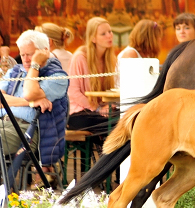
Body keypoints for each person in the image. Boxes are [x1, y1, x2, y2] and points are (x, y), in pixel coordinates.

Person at [0, 30, 68, 168]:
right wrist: (30, 103)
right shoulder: (15, 71)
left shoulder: (58, 76)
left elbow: (30, 93)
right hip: (5, 123)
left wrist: (35, 64)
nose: (25, 59)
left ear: (44, 52)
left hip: (30, 131)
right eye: (22, 54)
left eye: (30, 54)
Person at [67, 17, 117, 136]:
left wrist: (108, 105)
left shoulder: (111, 59)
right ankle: (108, 153)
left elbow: (114, 89)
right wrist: (98, 108)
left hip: (100, 111)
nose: (109, 36)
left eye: (110, 32)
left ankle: (109, 153)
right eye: (103, 34)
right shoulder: (80, 57)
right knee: (114, 125)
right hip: (78, 112)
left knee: (127, 119)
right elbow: (73, 92)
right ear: (93, 38)